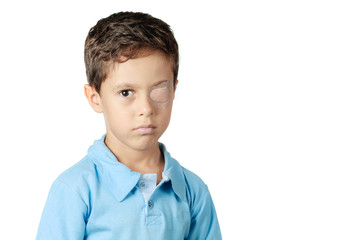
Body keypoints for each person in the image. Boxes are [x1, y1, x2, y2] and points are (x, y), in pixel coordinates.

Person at [36, 11, 222, 240]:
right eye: (126, 92)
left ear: (174, 89)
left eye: (159, 91)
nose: (146, 108)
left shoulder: (193, 192)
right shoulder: (74, 190)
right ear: (95, 97)